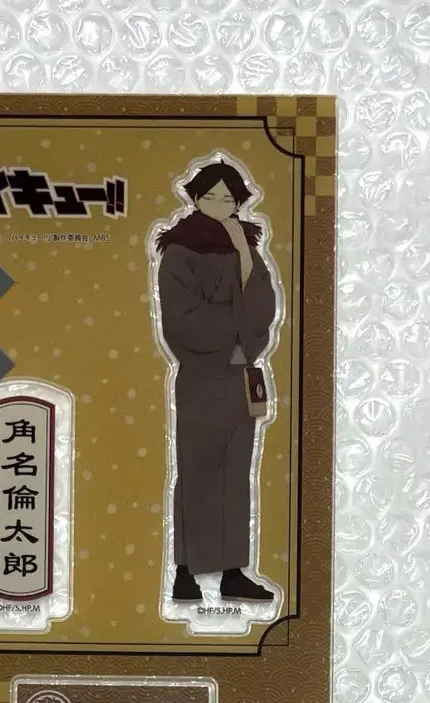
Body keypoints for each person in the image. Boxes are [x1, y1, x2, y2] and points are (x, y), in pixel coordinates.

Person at [155, 160, 279, 603]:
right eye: (210, 196)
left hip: (241, 374)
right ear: (195, 198)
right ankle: (185, 572)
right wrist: (237, 322)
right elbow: (181, 317)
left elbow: (264, 304)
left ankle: (231, 572)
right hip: (202, 375)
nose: (220, 205)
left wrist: (244, 257)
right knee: (197, 470)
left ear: (239, 202)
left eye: (229, 198)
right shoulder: (180, 249)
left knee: (235, 473)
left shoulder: (246, 245)